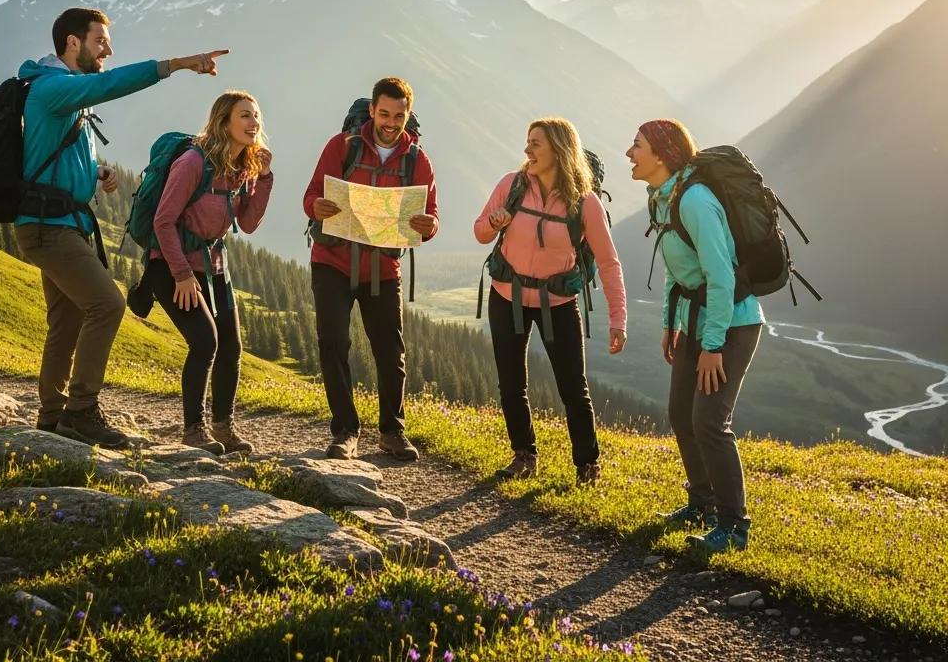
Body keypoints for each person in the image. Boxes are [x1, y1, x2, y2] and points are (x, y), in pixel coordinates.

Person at [15, 6, 228, 448]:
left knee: (68, 318)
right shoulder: (53, 87)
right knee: (107, 305)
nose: (108, 51)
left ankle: (52, 416)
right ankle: (81, 411)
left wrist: (94, 172)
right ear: (72, 43)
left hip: (60, 221)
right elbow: (111, 84)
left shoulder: (62, 90)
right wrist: (176, 64)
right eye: (100, 41)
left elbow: (45, 154)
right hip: (48, 227)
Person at [627, 119, 763, 553]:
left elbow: (721, 278)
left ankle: (734, 526)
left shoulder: (696, 201)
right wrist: (671, 324)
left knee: (709, 422)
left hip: (732, 323)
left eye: (637, 145)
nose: (629, 153)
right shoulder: (662, 199)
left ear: (662, 155)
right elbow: (678, 269)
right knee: (680, 414)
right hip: (695, 320)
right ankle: (701, 504)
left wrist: (713, 345)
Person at [474, 118, 627, 486]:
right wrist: (494, 223)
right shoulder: (510, 185)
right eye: (528, 142)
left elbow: (608, 262)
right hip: (506, 296)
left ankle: (587, 466)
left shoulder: (585, 202)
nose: (527, 150)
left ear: (558, 150)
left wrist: (618, 319)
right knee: (511, 383)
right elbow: (480, 232)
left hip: (557, 303)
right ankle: (523, 456)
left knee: (573, 386)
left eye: (535, 144)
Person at [303, 77, 439, 462]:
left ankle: (392, 432)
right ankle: (345, 432)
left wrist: (428, 226)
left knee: (390, 351)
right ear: (372, 111)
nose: (391, 123)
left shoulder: (417, 160)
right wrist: (317, 207)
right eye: (384, 114)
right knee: (333, 343)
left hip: (382, 267)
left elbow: (430, 216)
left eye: (399, 116)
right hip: (332, 262)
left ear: (407, 115)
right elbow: (311, 195)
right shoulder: (342, 146)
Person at [146, 90, 273, 454]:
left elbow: (247, 224)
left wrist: (264, 178)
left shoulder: (242, 167)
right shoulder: (193, 162)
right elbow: (163, 222)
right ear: (223, 122)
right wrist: (182, 275)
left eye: (256, 115)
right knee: (205, 341)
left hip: (214, 266)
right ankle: (193, 431)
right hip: (172, 265)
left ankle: (223, 428)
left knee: (231, 347)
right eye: (245, 115)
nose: (254, 122)